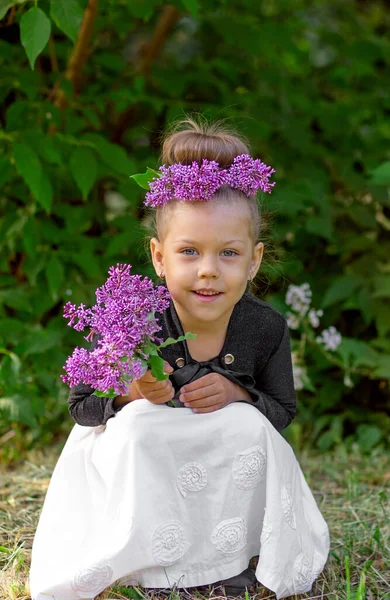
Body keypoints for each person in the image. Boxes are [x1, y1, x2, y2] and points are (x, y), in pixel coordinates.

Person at [29, 118, 330, 600]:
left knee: (249, 427)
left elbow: (281, 414)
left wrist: (238, 393)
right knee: (140, 427)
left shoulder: (265, 326)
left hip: (219, 454)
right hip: (149, 455)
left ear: (254, 260)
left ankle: (228, 557)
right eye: (188, 251)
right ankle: (148, 560)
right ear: (158, 256)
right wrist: (132, 391)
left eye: (228, 254)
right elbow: (81, 408)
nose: (208, 271)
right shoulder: (132, 312)